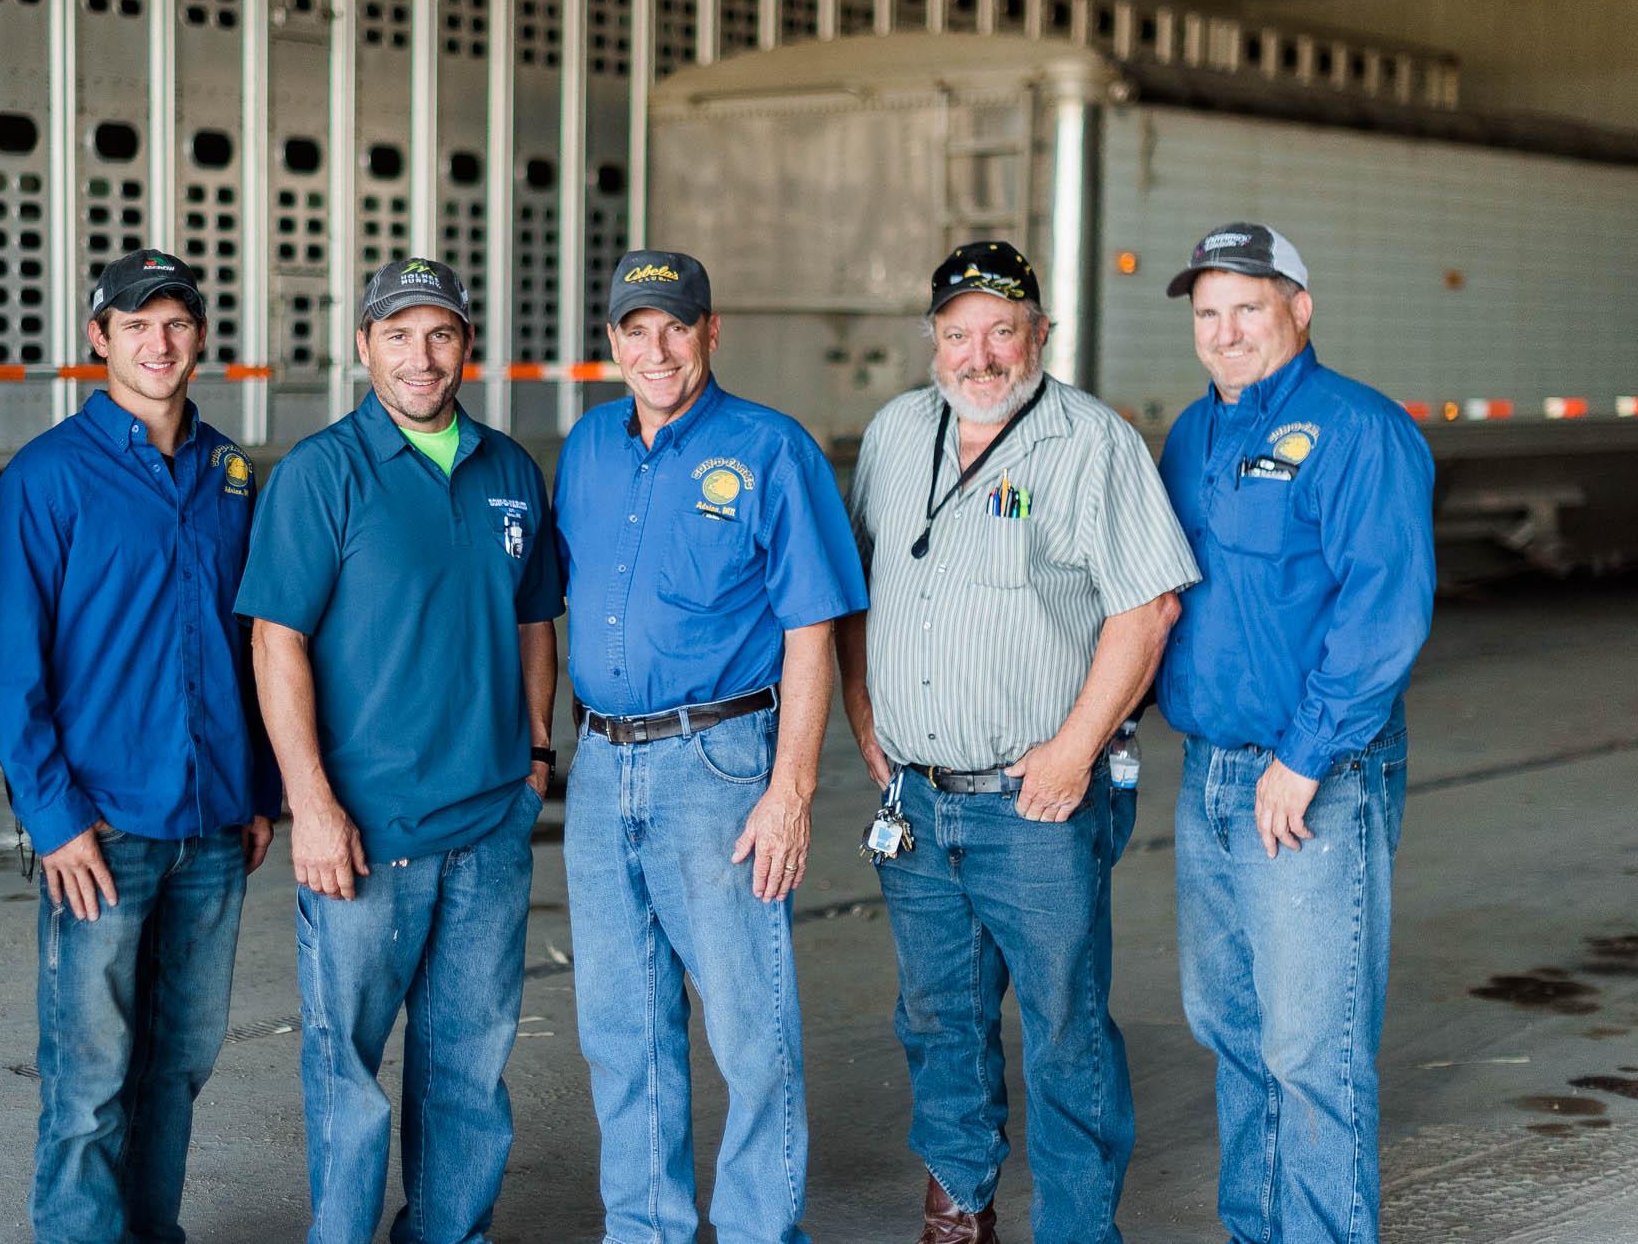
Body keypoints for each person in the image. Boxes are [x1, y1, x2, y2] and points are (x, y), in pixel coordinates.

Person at [837, 240, 1200, 1244]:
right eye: (958, 333)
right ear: (933, 342)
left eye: (1002, 330)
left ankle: (1078, 1228)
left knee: (1062, 1026)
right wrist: (867, 717)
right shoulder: (894, 431)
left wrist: (1073, 751)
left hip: (1035, 800)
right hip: (915, 800)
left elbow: (1146, 608)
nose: (979, 354)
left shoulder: (1090, 441)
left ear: (1039, 333)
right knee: (937, 1016)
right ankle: (957, 1206)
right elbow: (861, 596)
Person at [235, 257, 563, 1244]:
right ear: (363, 345)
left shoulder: (508, 469)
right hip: (367, 833)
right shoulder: (320, 473)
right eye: (397, 334)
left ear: (466, 343)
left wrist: (536, 751)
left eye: (440, 334)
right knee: (347, 1071)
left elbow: (533, 617)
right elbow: (274, 638)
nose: (420, 356)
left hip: (490, 825)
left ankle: (448, 1232)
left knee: (466, 1065)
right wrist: (313, 803)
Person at [553, 249, 868, 1244]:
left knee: (749, 1029)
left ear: (710, 331)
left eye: (675, 326)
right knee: (622, 1027)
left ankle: (755, 1229)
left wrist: (791, 787)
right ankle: (642, 1227)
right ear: (610, 342)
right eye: (635, 329)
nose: (656, 348)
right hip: (601, 766)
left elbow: (812, 626)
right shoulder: (587, 447)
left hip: (718, 763)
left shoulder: (771, 449)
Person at [0, 248, 280, 1244]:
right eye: (135, 322)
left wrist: (262, 791)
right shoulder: (46, 476)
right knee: (88, 1075)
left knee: (180, 1058)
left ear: (198, 335)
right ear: (97, 337)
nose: (158, 341)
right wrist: (53, 814)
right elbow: (13, 667)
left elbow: (258, 640)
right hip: (100, 830)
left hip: (212, 823)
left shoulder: (233, 471)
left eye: (177, 321)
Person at [1156, 223, 1435, 1244]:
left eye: (1247, 307)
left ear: (1298, 309)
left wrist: (1302, 756)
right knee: (1231, 1030)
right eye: (1207, 312)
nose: (1225, 331)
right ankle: (1255, 1228)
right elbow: (1175, 599)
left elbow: (1384, 606)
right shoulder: (1191, 433)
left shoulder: (1357, 427)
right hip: (1209, 775)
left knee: (1309, 1046)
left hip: (1311, 777)